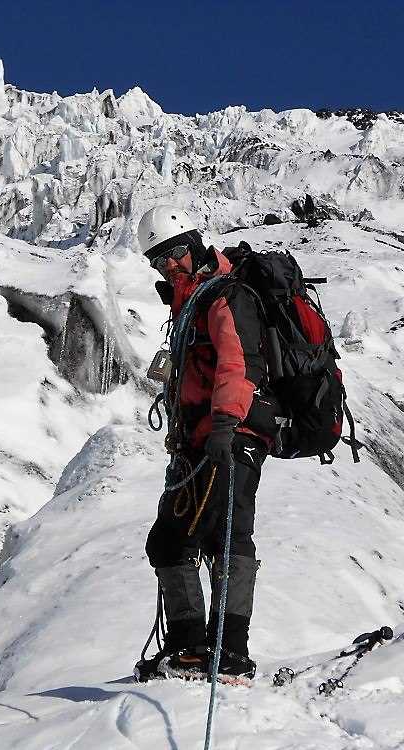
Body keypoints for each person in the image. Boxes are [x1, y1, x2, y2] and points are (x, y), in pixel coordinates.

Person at [137, 205, 279, 681]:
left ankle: (226, 650)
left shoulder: (225, 297)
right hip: (198, 444)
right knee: (172, 540)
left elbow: (240, 364)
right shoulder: (190, 301)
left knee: (225, 538)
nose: (169, 266)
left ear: (195, 243)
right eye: (159, 261)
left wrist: (224, 425)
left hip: (230, 438)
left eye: (175, 254)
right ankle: (192, 648)